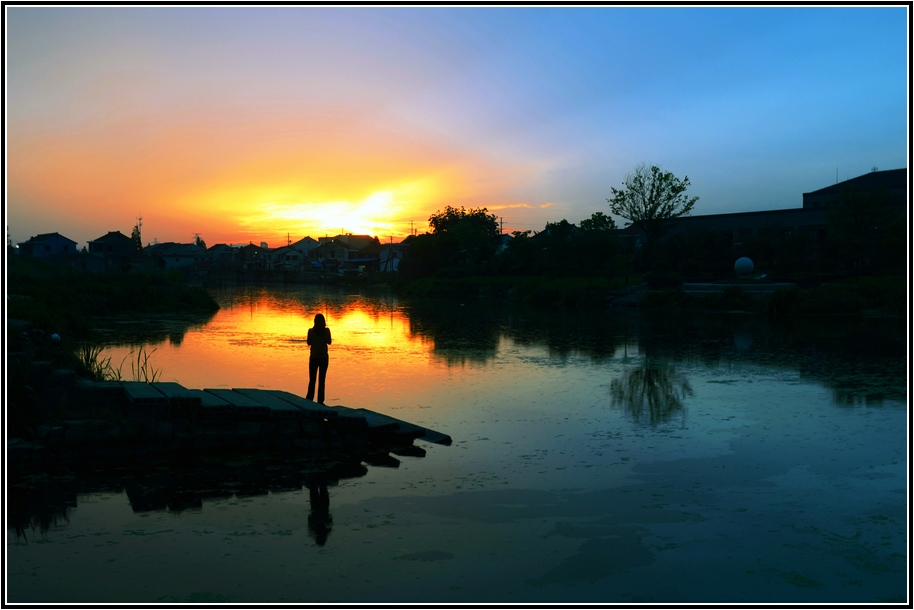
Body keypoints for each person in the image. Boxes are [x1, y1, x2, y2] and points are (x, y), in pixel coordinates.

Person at [306, 313, 332, 404]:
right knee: (322, 381)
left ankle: (309, 400)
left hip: (314, 358)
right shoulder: (327, 331)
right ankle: (320, 401)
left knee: (312, 380)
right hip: (324, 358)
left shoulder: (311, 331)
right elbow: (329, 342)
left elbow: (308, 343)